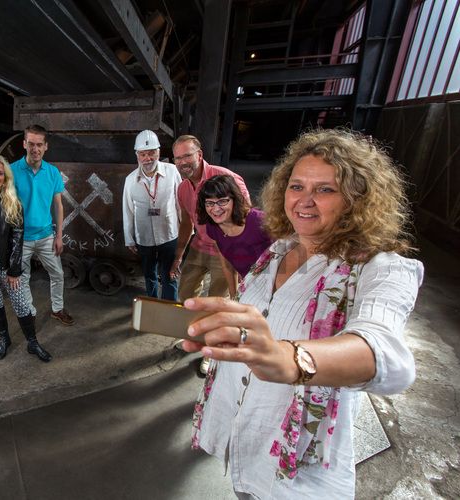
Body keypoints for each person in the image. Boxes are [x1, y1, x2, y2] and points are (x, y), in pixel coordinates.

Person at [182, 129, 422, 498]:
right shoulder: (278, 249)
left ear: (357, 198)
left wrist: (291, 358)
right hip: (246, 428)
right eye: (297, 187)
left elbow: (387, 356)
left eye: (325, 189)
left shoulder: (382, 268)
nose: (304, 201)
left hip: (298, 465)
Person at [0, 155, 52, 362]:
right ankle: (5, 339)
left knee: (20, 303)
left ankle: (32, 342)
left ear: (5, 178)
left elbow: (17, 238)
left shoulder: (12, 202)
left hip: (6, 262)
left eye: (0, 173)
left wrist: (14, 270)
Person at [170, 135, 250, 300]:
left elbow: (247, 218)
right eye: (178, 158)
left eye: (187, 155)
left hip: (225, 250)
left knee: (217, 301)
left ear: (199, 155)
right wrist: (178, 257)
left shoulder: (226, 178)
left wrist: (242, 259)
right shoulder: (183, 188)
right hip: (199, 247)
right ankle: (191, 326)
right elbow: (186, 223)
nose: (182, 162)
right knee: (185, 296)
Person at [10, 124, 74, 326]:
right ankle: (30, 311)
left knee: (57, 274)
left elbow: (58, 205)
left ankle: (57, 309)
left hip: (46, 234)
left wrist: (58, 235)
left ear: (46, 146)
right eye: (31, 144)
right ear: (24, 144)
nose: (35, 149)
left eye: (39, 144)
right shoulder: (11, 171)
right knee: (23, 277)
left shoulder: (53, 172)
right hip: (21, 237)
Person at [122, 129, 182, 301]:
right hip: (144, 238)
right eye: (143, 154)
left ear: (159, 152)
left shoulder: (172, 172)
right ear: (137, 155)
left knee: (170, 274)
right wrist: (129, 238)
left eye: (152, 153)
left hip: (169, 234)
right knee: (149, 274)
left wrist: (185, 232)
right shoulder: (131, 180)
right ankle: (153, 304)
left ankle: (169, 307)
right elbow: (127, 210)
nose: (148, 158)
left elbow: (180, 203)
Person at [196, 174, 272, 299]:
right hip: (250, 287)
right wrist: (234, 296)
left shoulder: (259, 220)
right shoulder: (212, 227)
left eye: (222, 201)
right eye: (209, 203)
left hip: (276, 286)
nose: (215, 208)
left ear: (235, 199)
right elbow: (226, 263)